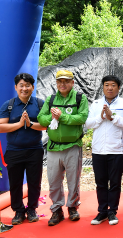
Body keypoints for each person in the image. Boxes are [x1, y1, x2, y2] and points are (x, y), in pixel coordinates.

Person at [37, 70, 89, 226]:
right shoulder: (51, 99)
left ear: (72, 83)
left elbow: (82, 117)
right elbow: (41, 118)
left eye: (66, 81)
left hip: (73, 146)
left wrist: (62, 117)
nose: (63, 84)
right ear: (56, 83)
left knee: (73, 180)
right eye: (60, 81)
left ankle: (72, 207)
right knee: (53, 181)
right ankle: (56, 209)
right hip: (53, 148)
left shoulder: (80, 98)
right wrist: (52, 117)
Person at [0, 73, 47, 225]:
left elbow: (45, 125)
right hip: (14, 151)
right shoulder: (9, 105)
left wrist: (30, 124)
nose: (24, 88)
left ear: (33, 87)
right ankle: (18, 211)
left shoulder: (40, 104)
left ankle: (32, 209)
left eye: (27, 85)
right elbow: (0, 127)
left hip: (35, 150)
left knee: (34, 182)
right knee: (15, 182)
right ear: (16, 87)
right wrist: (19, 124)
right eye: (21, 85)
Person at [86, 75, 123, 225]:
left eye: (113, 85)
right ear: (103, 87)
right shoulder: (95, 104)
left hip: (116, 149)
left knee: (114, 182)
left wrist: (112, 116)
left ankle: (112, 211)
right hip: (98, 149)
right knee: (100, 182)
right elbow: (88, 123)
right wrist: (101, 117)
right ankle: (102, 212)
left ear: (118, 87)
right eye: (106, 85)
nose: (110, 88)